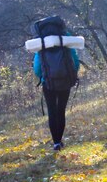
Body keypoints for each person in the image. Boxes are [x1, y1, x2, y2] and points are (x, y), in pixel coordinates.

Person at [32, 17, 80, 151]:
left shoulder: (41, 41)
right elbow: (74, 59)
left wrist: (42, 77)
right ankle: (60, 140)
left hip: (48, 83)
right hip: (65, 81)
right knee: (61, 110)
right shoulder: (65, 38)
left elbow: (37, 66)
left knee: (52, 112)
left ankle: (56, 143)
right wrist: (73, 74)